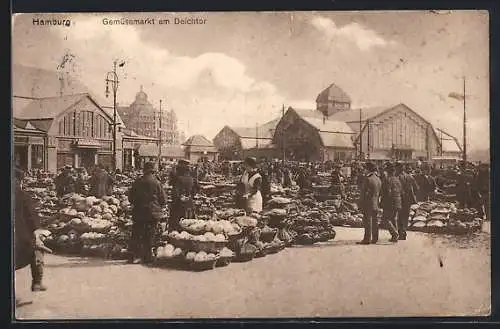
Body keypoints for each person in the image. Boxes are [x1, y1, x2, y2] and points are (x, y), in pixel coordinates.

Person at [14, 167, 52, 306]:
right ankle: (37, 282)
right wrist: (38, 231)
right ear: (20, 180)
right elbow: (31, 217)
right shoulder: (23, 195)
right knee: (37, 249)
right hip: (19, 237)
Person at [128, 162, 167, 264]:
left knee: (137, 234)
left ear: (144, 170)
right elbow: (163, 199)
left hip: (139, 212)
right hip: (153, 213)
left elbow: (130, 198)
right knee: (150, 234)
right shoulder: (157, 182)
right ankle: (148, 257)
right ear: (153, 171)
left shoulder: (137, 182)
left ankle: (135, 256)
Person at [357, 162, 382, 245]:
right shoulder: (378, 179)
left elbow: (364, 193)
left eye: (365, 168)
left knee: (368, 221)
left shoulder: (368, 179)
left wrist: (360, 203)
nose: (364, 170)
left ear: (368, 169)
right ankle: (375, 238)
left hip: (368, 202)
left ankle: (367, 239)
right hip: (376, 202)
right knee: (375, 220)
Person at [170, 159, 196, 232]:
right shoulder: (191, 179)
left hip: (179, 206)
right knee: (189, 226)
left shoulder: (179, 179)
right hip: (190, 204)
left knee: (178, 228)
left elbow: (175, 194)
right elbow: (195, 190)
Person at [395, 162, 419, 240]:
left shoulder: (396, 177)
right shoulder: (410, 177)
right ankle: (404, 232)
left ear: (397, 168)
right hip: (408, 200)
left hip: (399, 199)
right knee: (405, 216)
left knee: (399, 216)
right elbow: (416, 188)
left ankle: (400, 232)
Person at [380, 163, 402, 243]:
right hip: (398, 202)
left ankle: (395, 233)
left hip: (390, 203)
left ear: (387, 171)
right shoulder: (397, 179)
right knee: (394, 219)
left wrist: (382, 201)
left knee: (385, 219)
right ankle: (394, 237)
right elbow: (400, 190)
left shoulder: (387, 180)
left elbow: (387, 192)